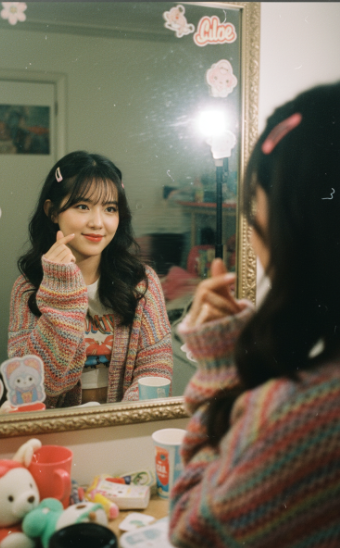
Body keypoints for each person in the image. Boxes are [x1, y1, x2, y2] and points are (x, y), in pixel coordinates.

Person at [169, 82, 340, 546]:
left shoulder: (296, 416)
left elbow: (192, 530)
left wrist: (221, 369)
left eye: (255, 211)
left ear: (289, 225)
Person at [8, 150, 173, 408]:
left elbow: (156, 369)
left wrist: (120, 421)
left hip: (123, 426)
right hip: (56, 428)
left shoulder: (142, 283)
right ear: (52, 211)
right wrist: (61, 294)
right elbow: (35, 387)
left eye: (110, 209)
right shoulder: (28, 288)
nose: (98, 223)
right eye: (82, 206)